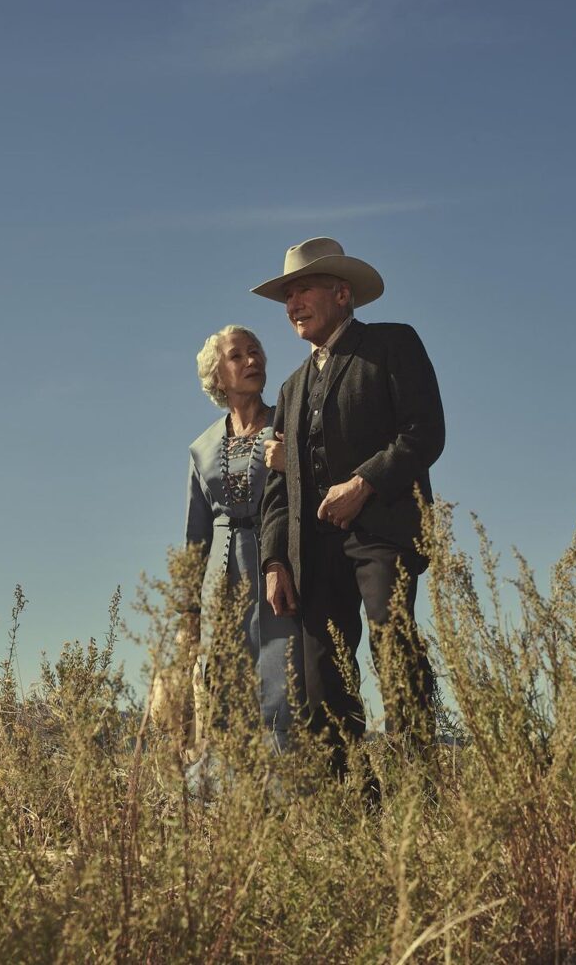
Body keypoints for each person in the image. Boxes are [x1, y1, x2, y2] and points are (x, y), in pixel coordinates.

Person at [252, 238, 444, 774]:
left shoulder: (392, 345)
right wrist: (273, 561)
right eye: (287, 295)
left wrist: (362, 484)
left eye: (302, 290)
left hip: (382, 533)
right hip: (312, 552)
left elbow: (423, 433)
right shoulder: (289, 391)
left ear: (341, 293)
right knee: (321, 677)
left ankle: (416, 793)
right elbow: (275, 492)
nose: (292, 304)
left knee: (394, 653)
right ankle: (349, 807)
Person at [176, 324, 304, 752]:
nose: (253, 360)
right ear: (217, 377)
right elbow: (195, 536)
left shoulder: (287, 426)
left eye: (256, 351)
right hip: (219, 582)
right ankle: (225, 803)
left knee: (282, 676)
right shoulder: (201, 448)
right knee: (222, 682)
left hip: (278, 568)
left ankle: (286, 791)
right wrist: (188, 610)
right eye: (238, 356)